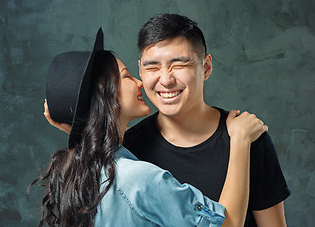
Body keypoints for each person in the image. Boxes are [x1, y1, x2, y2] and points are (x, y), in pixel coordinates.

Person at [33, 28, 267, 227]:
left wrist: (78, 126)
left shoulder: (78, 172)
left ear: (206, 67)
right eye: (126, 76)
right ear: (106, 97)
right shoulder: (140, 179)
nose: (139, 82)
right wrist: (240, 139)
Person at [122, 14, 291, 226]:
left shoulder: (249, 137)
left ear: (206, 67)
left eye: (179, 64)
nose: (165, 80)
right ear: (140, 70)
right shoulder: (128, 148)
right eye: (152, 67)